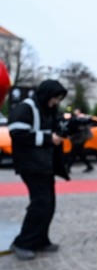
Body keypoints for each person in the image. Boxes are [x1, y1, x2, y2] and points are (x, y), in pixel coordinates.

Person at [7, 79, 69, 260]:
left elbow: (54, 129)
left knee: (48, 204)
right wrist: (49, 138)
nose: (56, 102)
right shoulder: (26, 108)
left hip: (44, 165)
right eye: (55, 98)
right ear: (46, 95)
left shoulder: (47, 109)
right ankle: (22, 243)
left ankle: (40, 240)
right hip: (31, 165)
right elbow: (17, 133)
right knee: (40, 204)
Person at [66, 108, 93, 173]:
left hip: (80, 139)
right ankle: (89, 166)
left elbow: (82, 129)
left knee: (73, 153)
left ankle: (68, 168)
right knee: (79, 154)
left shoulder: (82, 119)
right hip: (77, 139)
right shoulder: (75, 119)